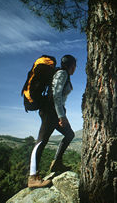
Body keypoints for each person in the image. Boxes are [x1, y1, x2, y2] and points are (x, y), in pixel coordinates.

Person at [28, 55, 77, 188]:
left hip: (55, 111)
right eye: (75, 66)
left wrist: (61, 114)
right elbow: (56, 94)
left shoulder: (64, 74)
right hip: (51, 111)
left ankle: (57, 162)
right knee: (41, 141)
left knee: (70, 134)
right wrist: (61, 116)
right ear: (71, 65)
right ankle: (32, 177)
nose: (75, 69)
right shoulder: (62, 73)